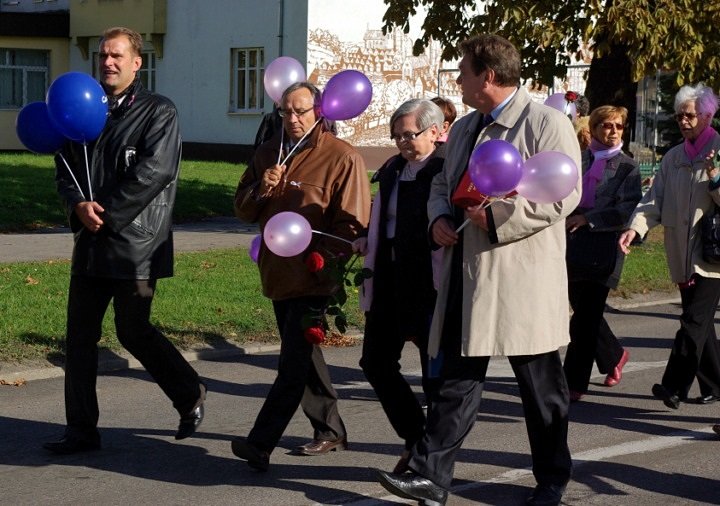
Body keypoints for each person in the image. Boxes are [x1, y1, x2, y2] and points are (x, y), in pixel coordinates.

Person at [376, 34, 581, 506]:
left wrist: (497, 220)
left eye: (463, 71)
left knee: (541, 389)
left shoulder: (545, 123)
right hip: (466, 278)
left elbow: (562, 194)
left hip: (521, 280)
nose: (457, 80)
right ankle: (431, 476)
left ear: (487, 75)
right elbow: (442, 185)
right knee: (455, 382)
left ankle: (551, 480)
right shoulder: (467, 126)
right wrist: (439, 219)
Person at [44, 27, 206, 455]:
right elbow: (65, 165)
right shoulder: (83, 105)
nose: (108, 63)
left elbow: (155, 172)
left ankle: (189, 393)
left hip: (137, 242)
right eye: (102, 56)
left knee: (132, 330)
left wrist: (108, 213)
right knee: (78, 338)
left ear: (138, 62)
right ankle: (80, 431)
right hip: (91, 242)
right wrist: (78, 204)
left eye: (116, 56)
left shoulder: (158, 112)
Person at [231, 81, 371, 471]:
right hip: (277, 271)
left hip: (315, 274)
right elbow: (242, 209)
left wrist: (326, 256)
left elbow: (354, 222)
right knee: (304, 353)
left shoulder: (342, 157)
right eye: (285, 112)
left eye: (300, 111)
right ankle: (330, 429)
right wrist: (262, 188)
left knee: (292, 361)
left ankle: (261, 443)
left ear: (319, 111)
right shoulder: (268, 152)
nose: (292, 119)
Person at [353, 98, 445, 474]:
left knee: (434, 375)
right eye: (397, 136)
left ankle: (429, 462)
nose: (404, 142)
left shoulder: (444, 171)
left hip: (430, 281)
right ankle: (415, 436)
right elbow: (381, 217)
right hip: (390, 277)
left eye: (410, 134)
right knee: (374, 361)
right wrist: (365, 237)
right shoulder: (392, 170)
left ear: (435, 132)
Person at [619, 84, 720, 410]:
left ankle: (674, 386)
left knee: (692, 322)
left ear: (707, 115)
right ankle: (716, 386)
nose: (683, 121)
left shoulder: (719, 150)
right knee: (700, 327)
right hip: (682, 256)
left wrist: (716, 178)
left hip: (713, 258)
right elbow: (653, 202)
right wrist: (635, 229)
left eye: (689, 115)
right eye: (679, 116)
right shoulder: (675, 157)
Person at [563, 105, 642, 402]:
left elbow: (628, 208)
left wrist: (589, 218)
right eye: (606, 126)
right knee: (582, 308)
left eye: (618, 126)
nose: (613, 132)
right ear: (593, 129)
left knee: (586, 316)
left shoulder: (628, 167)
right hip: (572, 245)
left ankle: (573, 383)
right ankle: (614, 355)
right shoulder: (578, 160)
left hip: (605, 247)